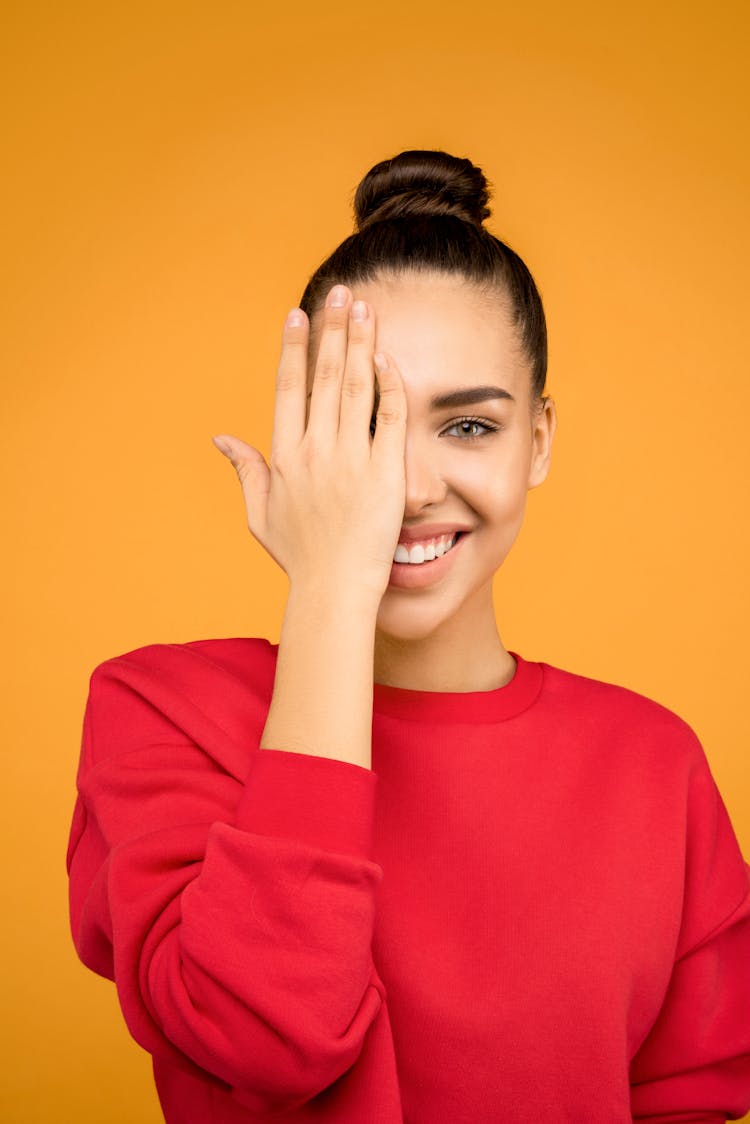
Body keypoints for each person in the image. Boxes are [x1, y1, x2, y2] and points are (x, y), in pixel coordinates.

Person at [67, 149, 750, 1123]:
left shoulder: (655, 763)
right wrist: (331, 587)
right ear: (301, 432)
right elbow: (269, 1038)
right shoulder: (163, 712)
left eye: (467, 425)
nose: (413, 485)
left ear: (540, 440)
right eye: (370, 421)